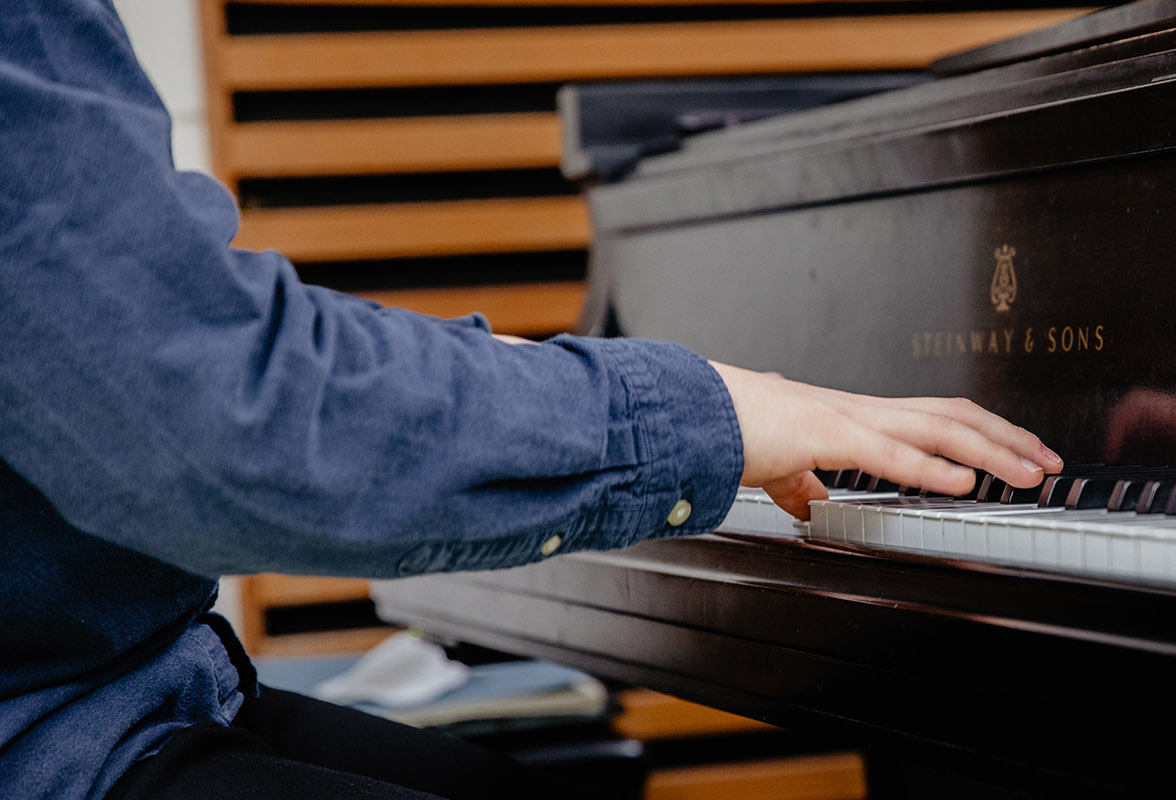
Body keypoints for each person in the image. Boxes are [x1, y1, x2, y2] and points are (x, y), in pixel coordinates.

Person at [0, 3, 1062, 798]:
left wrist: (539, 389)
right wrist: (701, 415)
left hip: (131, 693)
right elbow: (220, 415)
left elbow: (168, 340)